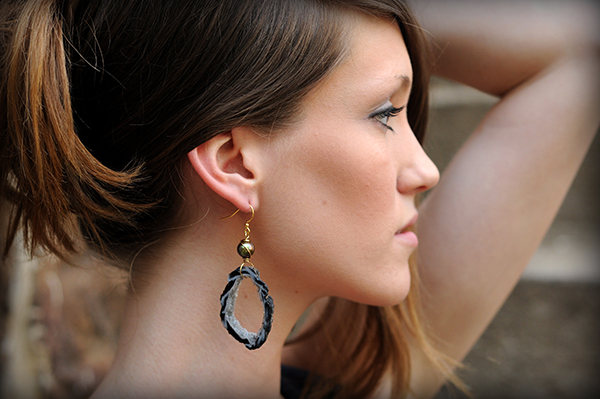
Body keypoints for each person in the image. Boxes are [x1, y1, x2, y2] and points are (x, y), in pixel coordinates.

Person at [0, 0, 598, 398]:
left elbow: (580, 49)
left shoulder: (352, 377)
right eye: (385, 113)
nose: (426, 169)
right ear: (234, 164)